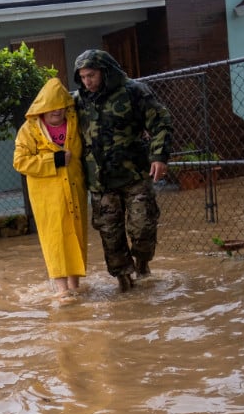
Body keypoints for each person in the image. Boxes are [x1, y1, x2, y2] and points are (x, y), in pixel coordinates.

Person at [72, 49, 173, 292]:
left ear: (105, 72)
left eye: (92, 75)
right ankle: (124, 283)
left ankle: (142, 265)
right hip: (100, 182)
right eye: (83, 77)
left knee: (142, 227)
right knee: (110, 235)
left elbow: (161, 121)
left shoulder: (134, 91)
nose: (88, 82)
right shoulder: (77, 101)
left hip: (135, 175)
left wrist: (159, 156)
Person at [13, 77, 88, 302]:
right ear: (42, 108)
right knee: (54, 238)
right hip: (48, 196)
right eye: (50, 107)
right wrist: (53, 160)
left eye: (60, 107)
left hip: (75, 190)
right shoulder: (29, 130)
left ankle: (75, 286)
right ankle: (61, 289)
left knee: (76, 234)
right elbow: (20, 162)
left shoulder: (75, 123)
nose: (56, 111)